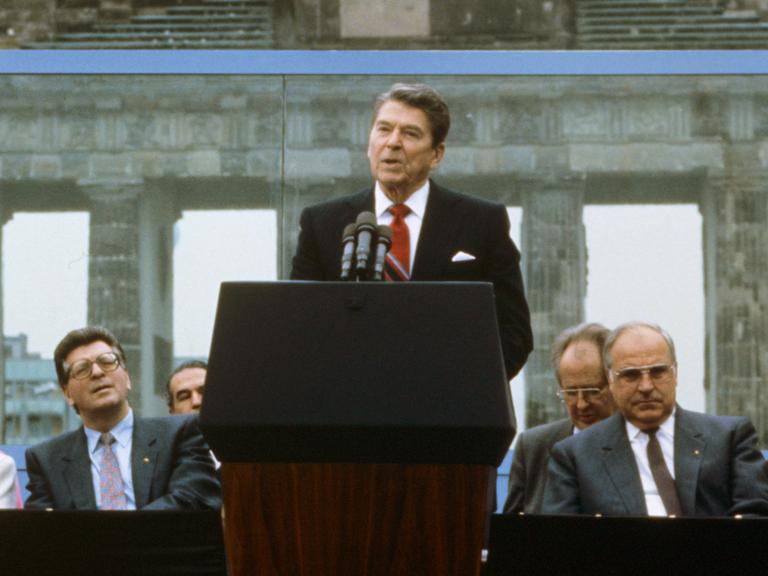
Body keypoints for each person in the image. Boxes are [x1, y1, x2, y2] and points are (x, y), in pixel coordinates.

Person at [290, 82, 533, 380]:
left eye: (410, 133)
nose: (392, 142)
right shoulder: (322, 223)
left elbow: (515, 332)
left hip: (447, 409)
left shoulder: (482, 221)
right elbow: (299, 324)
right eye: (383, 129)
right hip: (349, 407)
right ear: (369, 144)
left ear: (436, 154)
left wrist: (466, 393)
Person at [543, 321, 768, 517]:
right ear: (610, 380)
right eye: (630, 375)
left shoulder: (729, 439)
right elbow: (562, 540)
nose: (646, 386)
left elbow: (755, 520)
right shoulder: (576, 456)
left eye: (657, 372)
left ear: (675, 373)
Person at [25, 326, 221, 510]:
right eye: (82, 369)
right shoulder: (46, 460)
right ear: (67, 393)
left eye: (107, 361)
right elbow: (41, 532)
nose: (98, 372)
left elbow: (194, 498)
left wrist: (119, 533)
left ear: (127, 377)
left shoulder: (179, 434)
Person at [503, 322, 615, 514]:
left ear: (614, 384)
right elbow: (512, 535)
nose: (581, 404)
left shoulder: (639, 443)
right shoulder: (533, 447)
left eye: (591, 391)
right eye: (571, 392)